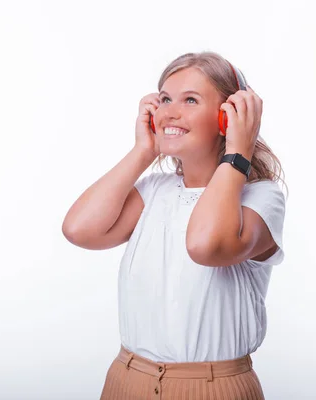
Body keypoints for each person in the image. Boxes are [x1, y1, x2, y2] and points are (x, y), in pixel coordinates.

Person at [62, 51, 287, 400]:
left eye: (190, 100)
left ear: (228, 119)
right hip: (127, 379)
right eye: (165, 98)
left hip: (214, 387)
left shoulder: (261, 199)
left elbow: (205, 245)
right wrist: (144, 151)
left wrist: (237, 152)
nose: (169, 111)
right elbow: (79, 229)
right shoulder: (154, 191)